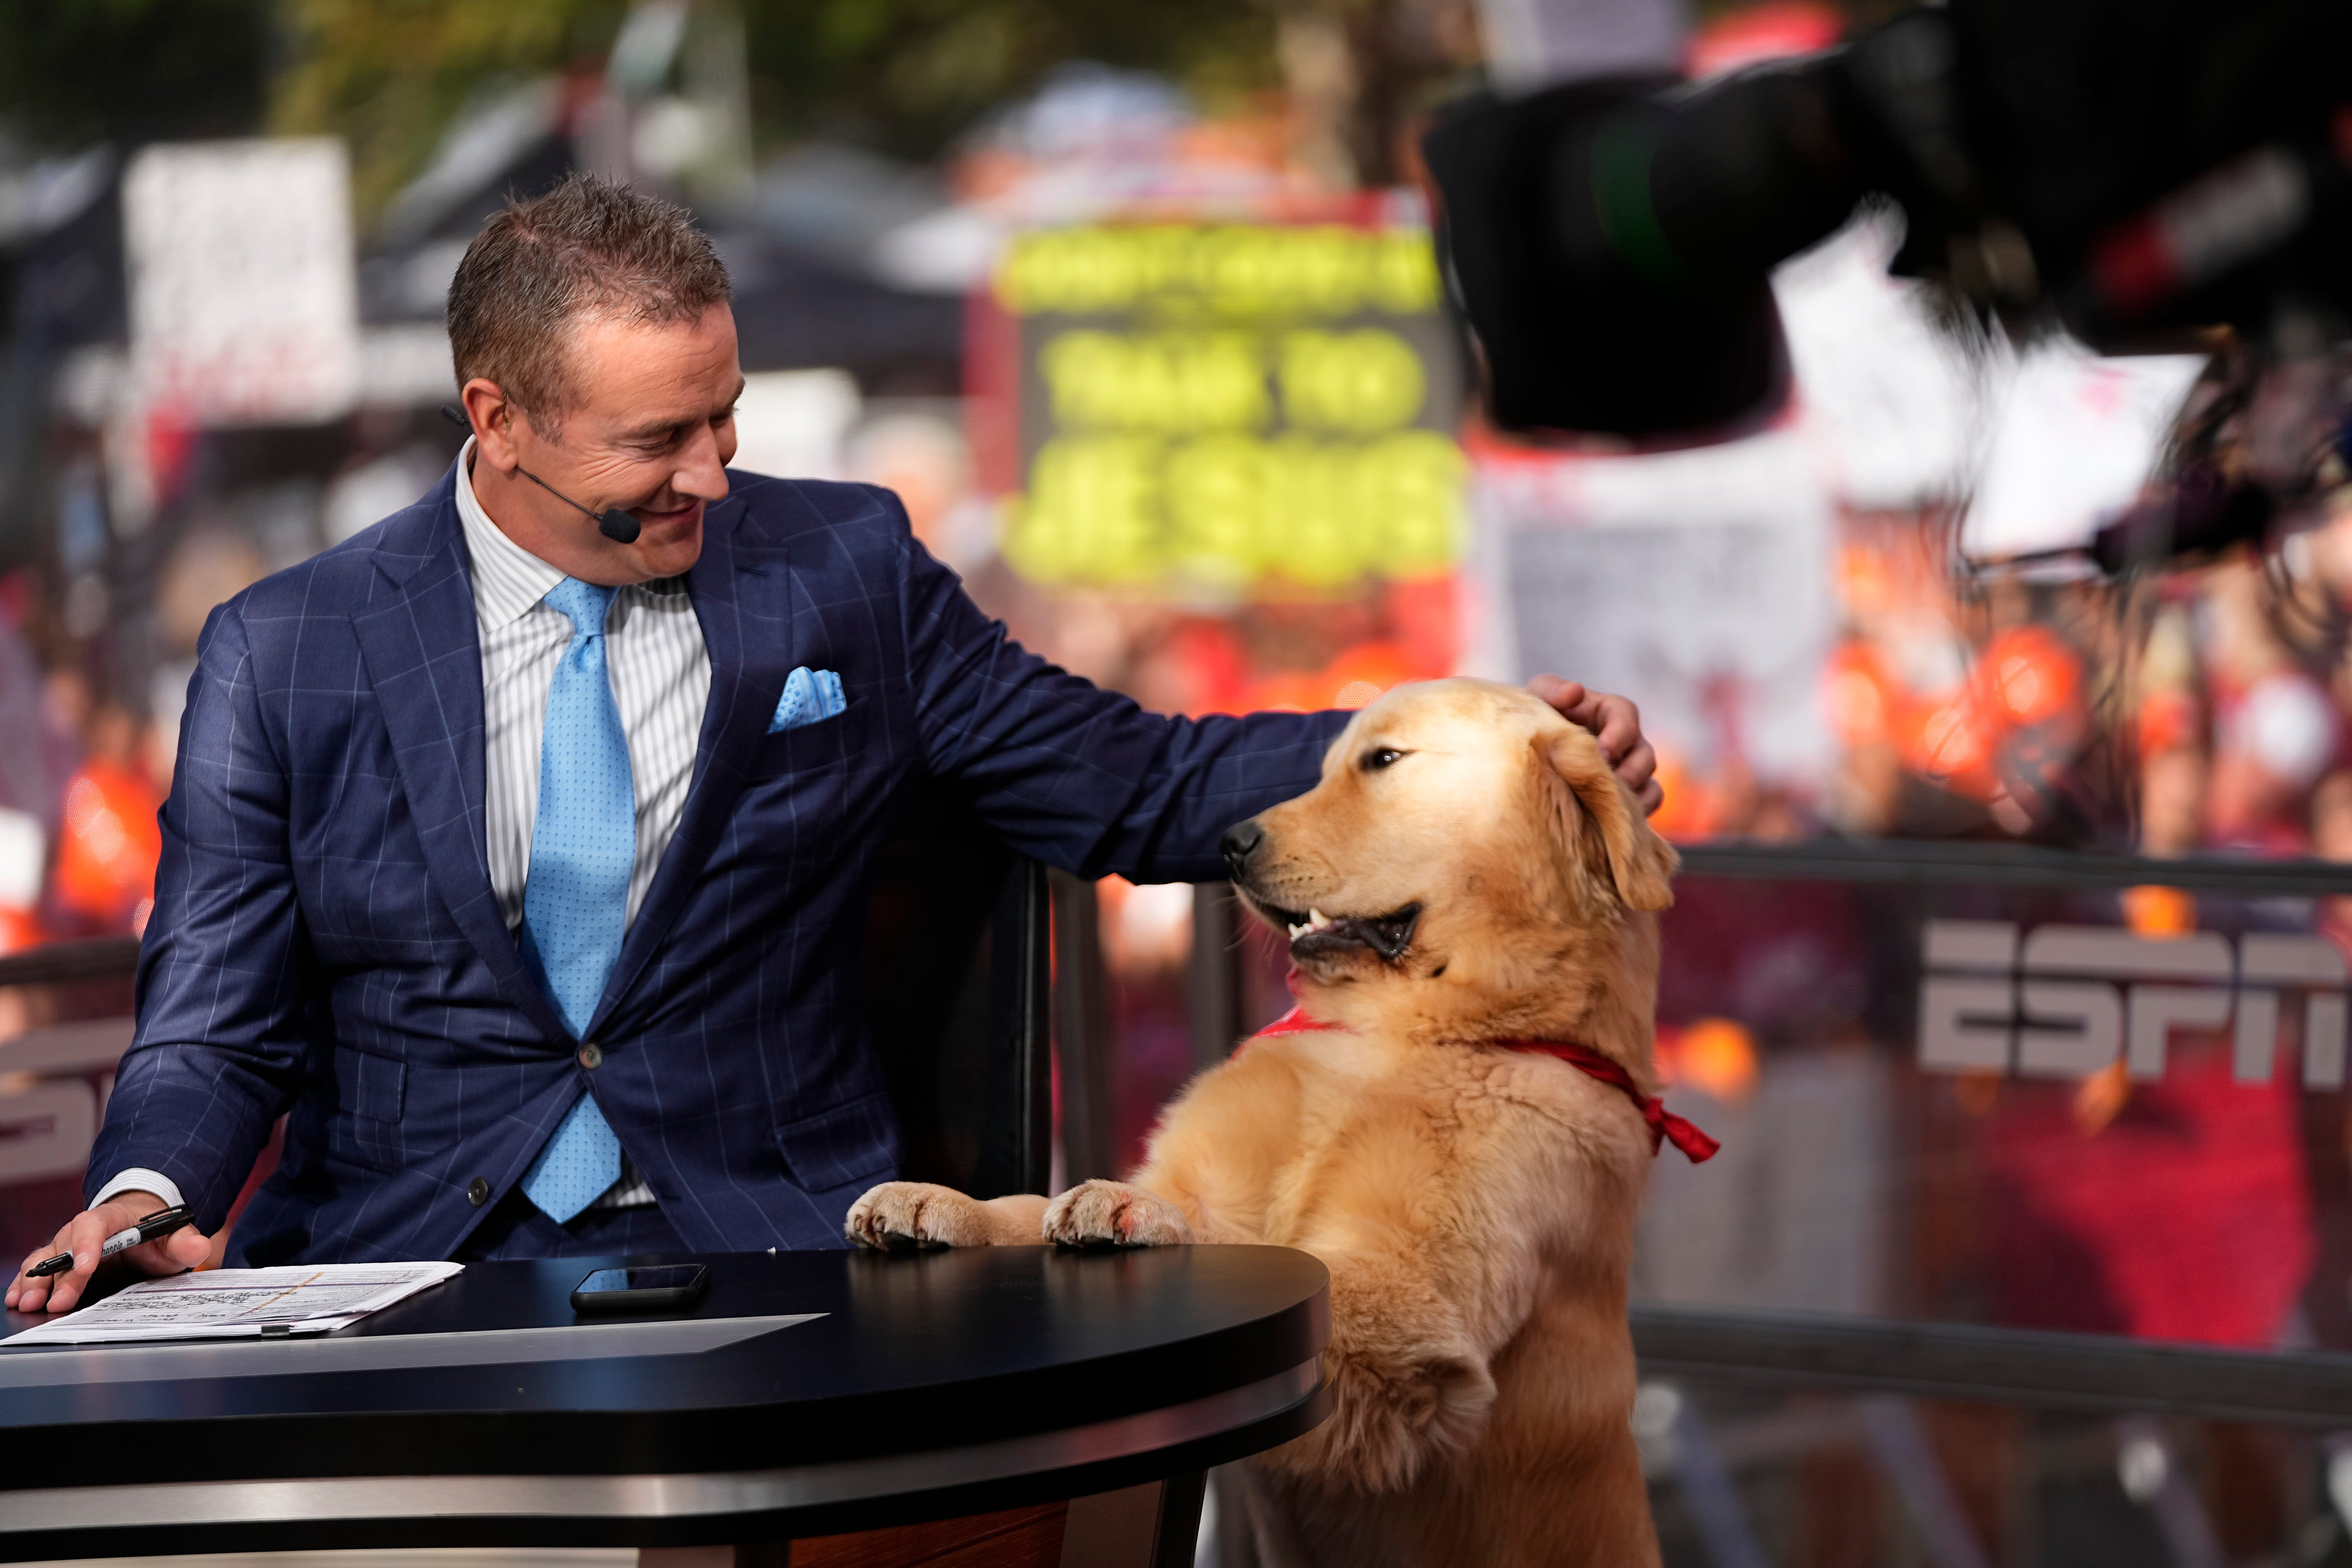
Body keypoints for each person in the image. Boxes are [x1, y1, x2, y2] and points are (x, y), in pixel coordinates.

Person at [8, 175, 1657, 1313]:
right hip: (406, 1277)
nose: (712, 474)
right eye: (657, 438)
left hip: (785, 1256)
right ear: (493, 417)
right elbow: (215, 1028)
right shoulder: (288, 647)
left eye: (726, 417)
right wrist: (149, 1191)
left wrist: (1491, 744)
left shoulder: (843, 570)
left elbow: (1131, 782)